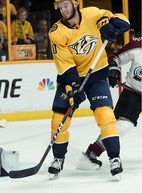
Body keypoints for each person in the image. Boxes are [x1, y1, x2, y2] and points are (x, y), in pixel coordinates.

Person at [47, 0, 130, 179]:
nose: (63, 9)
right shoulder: (56, 32)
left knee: (105, 115)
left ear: (75, 4)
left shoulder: (92, 13)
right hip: (70, 79)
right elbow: (65, 64)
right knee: (59, 119)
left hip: (97, 76)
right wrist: (74, 87)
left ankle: (115, 158)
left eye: (66, 5)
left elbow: (122, 20)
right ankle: (58, 159)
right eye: (60, 7)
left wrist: (113, 26)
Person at [79, 31, 142, 169]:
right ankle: (93, 152)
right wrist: (113, 70)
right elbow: (114, 58)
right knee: (123, 126)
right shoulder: (137, 44)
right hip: (135, 93)